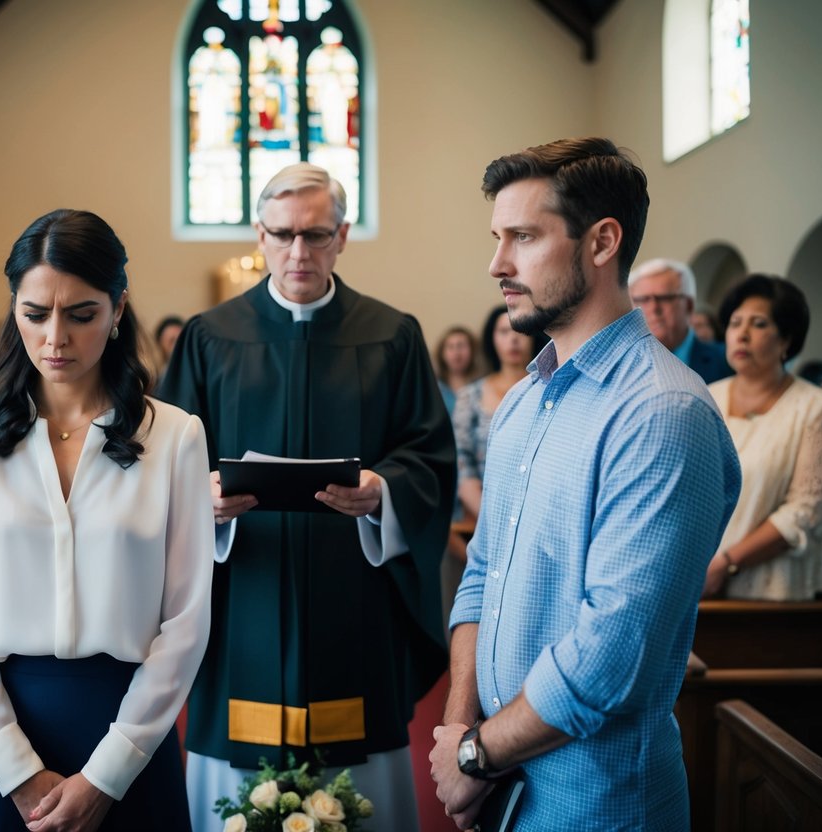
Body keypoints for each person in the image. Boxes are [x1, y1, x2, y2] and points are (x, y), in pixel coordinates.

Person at [429, 137, 741, 829]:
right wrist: (457, 733)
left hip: (595, 803)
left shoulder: (662, 412)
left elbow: (610, 654)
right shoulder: (522, 400)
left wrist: (476, 753)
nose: (496, 264)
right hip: (500, 790)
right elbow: (480, 573)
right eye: (496, 237)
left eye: (522, 237)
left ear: (601, 242)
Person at [157, 162, 455, 832]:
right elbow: (165, 461)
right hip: (242, 610)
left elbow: (429, 455)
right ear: (259, 234)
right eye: (284, 234)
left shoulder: (392, 335)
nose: (299, 251)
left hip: (351, 604)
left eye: (316, 235)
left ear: (342, 235)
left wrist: (383, 491)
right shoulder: (209, 339)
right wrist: (197, 498)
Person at [0, 209, 213, 831]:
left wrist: (108, 774)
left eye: (81, 314)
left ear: (117, 310)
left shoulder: (174, 436)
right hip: (2, 731)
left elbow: (187, 621)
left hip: (130, 732)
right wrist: (16, 769)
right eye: (35, 314)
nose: (56, 338)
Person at [702, 276, 822, 601]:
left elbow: (807, 511)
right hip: (704, 584)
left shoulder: (815, 408)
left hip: (779, 590)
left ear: (786, 341)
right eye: (735, 323)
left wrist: (727, 563)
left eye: (759, 324)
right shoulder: (707, 397)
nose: (742, 334)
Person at [452, 305, 549, 520]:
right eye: (504, 331)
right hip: (481, 514)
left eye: (520, 331)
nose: (513, 339)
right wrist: (490, 517)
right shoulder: (470, 395)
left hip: (539, 512)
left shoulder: (550, 390)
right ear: (492, 338)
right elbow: (462, 460)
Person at [629, 257, 733, 382]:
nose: (653, 308)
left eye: (664, 298)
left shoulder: (726, 360)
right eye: (643, 300)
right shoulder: (624, 367)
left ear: (689, 306)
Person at [435, 326, 479, 414]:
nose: (456, 352)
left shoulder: (481, 387)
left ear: (473, 351)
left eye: (461, 346)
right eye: (450, 347)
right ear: (442, 354)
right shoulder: (434, 388)